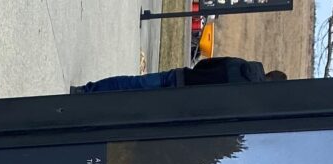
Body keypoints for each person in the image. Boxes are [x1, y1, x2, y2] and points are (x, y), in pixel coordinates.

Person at [72, 57, 287, 94]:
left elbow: (204, 63)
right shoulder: (243, 96)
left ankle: (86, 90)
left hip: (179, 77)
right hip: (180, 99)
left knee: (132, 83)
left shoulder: (239, 63)